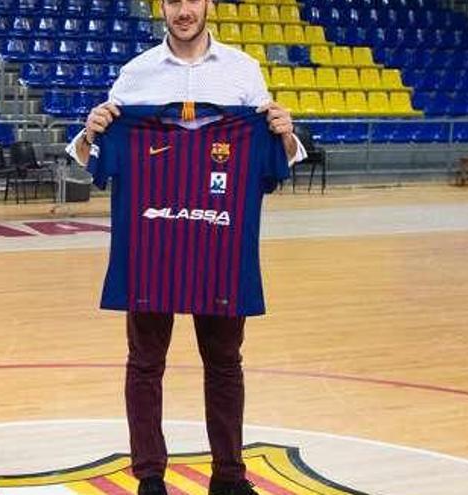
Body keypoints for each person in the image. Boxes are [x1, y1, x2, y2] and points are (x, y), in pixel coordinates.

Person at [65, 0, 307, 494]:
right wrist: (90, 134)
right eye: (173, 1)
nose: (183, 10)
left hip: (218, 247)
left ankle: (229, 477)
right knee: (145, 363)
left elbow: (273, 167)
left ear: (208, 4)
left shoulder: (244, 71)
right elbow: (92, 159)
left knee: (224, 363)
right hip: (152, 247)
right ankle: (150, 476)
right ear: (162, 7)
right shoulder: (136, 74)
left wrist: (284, 135)